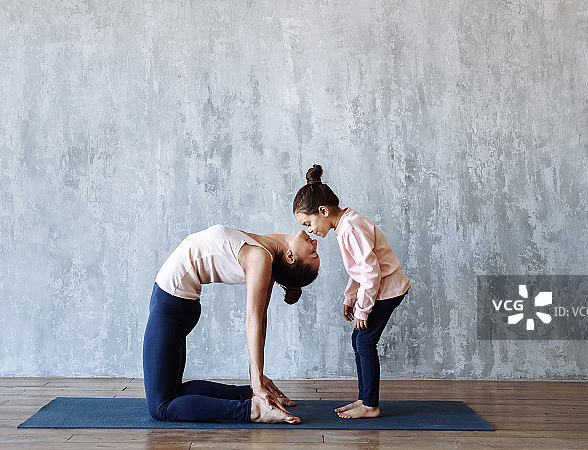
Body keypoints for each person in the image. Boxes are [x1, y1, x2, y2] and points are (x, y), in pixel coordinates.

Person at [143, 224, 319, 423]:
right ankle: (248, 396)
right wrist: (256, 382)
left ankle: (253, 410)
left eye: (313, 252)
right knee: (175, 392)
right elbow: (260, 320)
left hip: (171, 304)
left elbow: (255, 320)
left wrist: (257, 379)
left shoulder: (260, 259)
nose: (314, 242)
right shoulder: (265, 252)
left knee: (161, 407)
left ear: (291, 257)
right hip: (175, 304)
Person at [293, 165, 411, 419]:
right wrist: (350, 298)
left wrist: (362, 308)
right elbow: (359, 270)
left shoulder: (351, 228)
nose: (310, 230)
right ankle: (365, 398)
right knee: (359, 340)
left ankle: (370, 405)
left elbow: (371, 273)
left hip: (387, 289)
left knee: (365, 341)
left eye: (309, 223)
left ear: (323, 211)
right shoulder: (346, 225)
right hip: (379, 288)